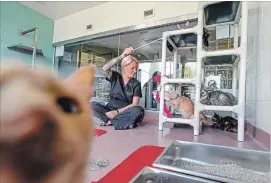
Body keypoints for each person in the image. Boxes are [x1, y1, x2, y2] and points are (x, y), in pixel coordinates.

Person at [91, 47, 145, 130]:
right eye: (132, 68)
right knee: (91, 104)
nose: (135, 71)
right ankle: (120, 122)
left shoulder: (136, 83)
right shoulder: (115, 76)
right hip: (109, 110)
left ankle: (109, 121)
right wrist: (122, 56)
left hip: (124, 112)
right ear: (124, 66)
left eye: (136, 69)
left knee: (139, 110)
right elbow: (105, 68)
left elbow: (134, 104)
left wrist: (117, 112)